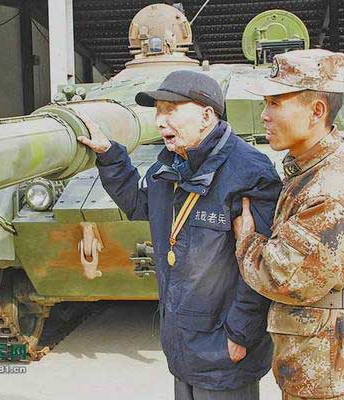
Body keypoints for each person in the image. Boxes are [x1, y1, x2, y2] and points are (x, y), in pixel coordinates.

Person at [77, 70, 282, 400]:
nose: (160, 120)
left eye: (171, 109)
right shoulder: (167, 167)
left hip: (225, 349)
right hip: (181, 343)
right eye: (158, 110)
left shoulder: (250, 172)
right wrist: (109, 155)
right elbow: (139, 206)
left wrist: (240, 336)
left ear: (205, 115)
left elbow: (263, 266)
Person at [233, 49, 344, 400]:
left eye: (276, 103)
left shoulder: (332, 188)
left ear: (316, 111)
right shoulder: (310, 171)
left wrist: (246, 241)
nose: (265, 116)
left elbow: (284, 278)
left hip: (331, 367)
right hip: (317, 357)